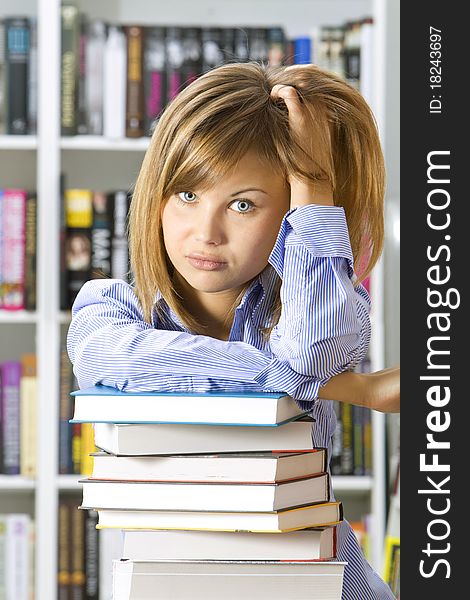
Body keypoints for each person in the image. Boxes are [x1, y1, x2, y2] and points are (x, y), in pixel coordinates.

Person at [67, 61, 399, 599]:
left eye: (243, 205)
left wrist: (315, 182)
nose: (206, 232)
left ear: (290, 211)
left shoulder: (323, 300)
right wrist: (349, 387)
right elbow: (116, 361)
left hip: (321, 582)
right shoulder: (110, 307)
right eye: (188, 195)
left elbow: (312, 351)